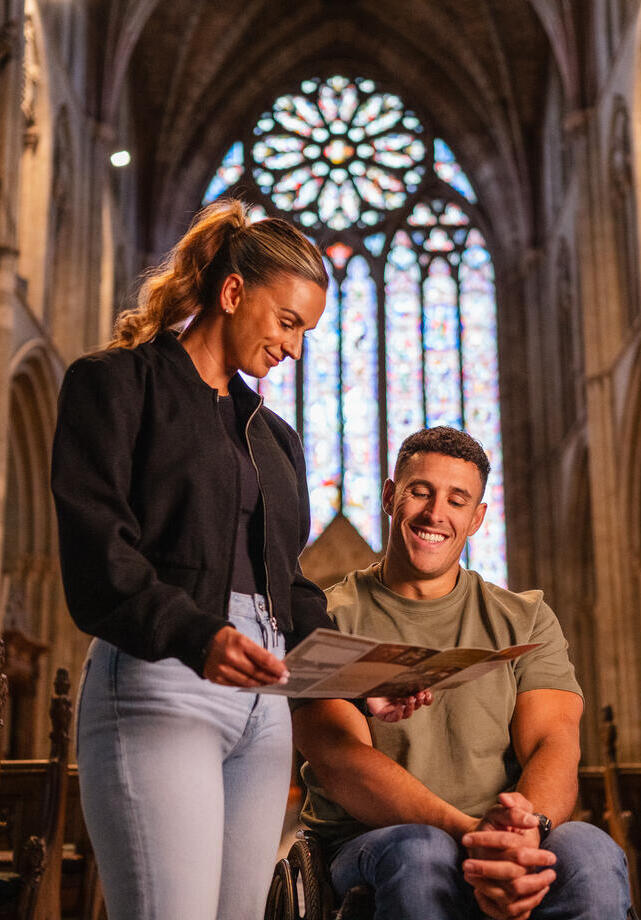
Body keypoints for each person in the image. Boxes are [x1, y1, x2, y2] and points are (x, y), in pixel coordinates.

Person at [51, 199, 413, 920]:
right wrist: (200, 635)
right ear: (234, 292)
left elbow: (291, 589)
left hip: (265, 709)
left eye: (306, 332)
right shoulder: (115, 384)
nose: (295, 349)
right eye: (288, 322)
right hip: (162, 679)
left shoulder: (274, 437)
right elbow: (98, 557)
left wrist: (359, 680)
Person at [293, 427, 633, 920]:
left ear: (477, 519)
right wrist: (472, 834)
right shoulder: (326, 617)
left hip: (507, 831)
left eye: (457, 500)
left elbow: (553, 742)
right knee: (420, 853)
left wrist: (522, 834)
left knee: (592, 853)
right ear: (389, 497)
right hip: (374, 840)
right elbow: (340, 758)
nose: (436, 513)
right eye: (420, 492)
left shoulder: (525, 618)